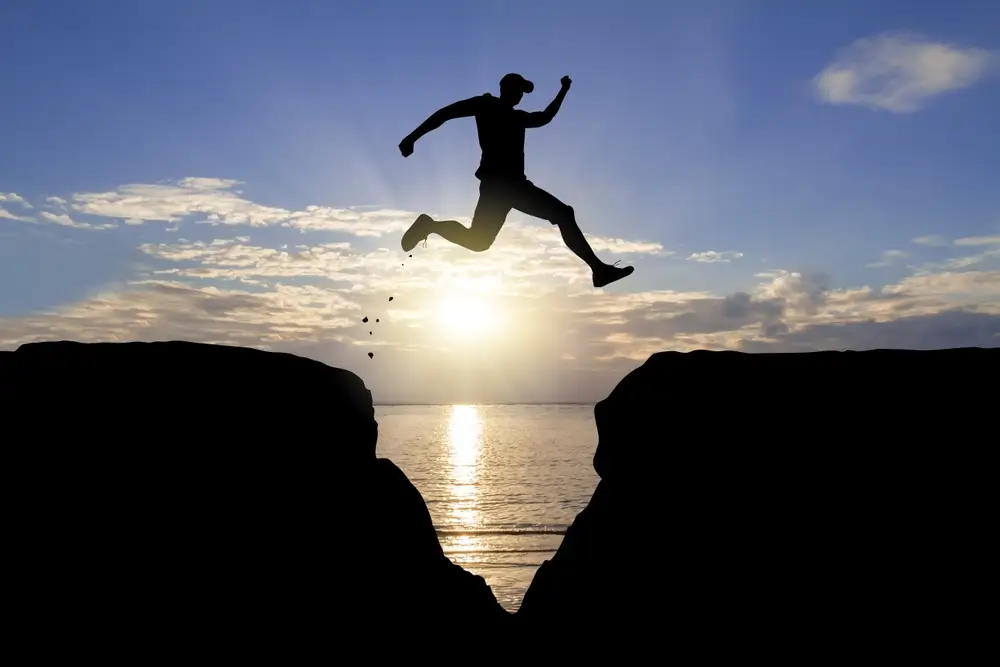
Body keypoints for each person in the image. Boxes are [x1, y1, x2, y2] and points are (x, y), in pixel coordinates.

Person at [398, 73, 634, 288]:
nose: (521, 96)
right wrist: (412, 137)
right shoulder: (485, 104)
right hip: (507, 186)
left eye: (522, 92)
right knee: (564, 214)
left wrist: (563, 91)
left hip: (502, 188)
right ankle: (598, 270)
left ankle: (430, 225)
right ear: (507, 89)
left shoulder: (516, 117)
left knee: (479, 241)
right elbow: (445, 114)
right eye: (519, 90)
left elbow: (544, 117)